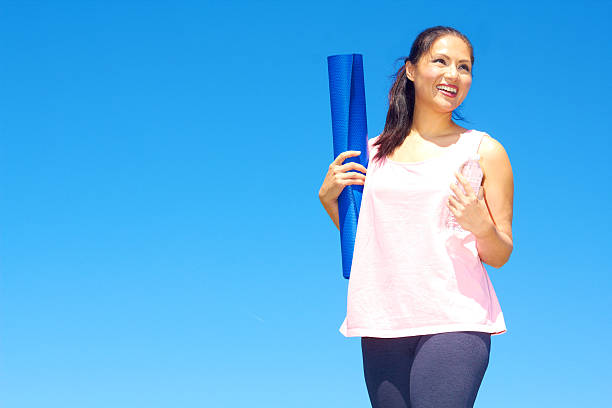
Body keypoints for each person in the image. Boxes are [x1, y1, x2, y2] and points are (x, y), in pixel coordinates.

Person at [318, 26, 514, 408]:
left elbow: (501, 252)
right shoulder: (368, 152)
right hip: (382, 321)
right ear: (410, 69)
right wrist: (329, 200)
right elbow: (369, 238)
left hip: (454, 319)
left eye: (464, 67)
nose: (453, 75)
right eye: (440, 61)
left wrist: (479, 224)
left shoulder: (484, 150)